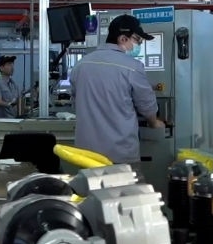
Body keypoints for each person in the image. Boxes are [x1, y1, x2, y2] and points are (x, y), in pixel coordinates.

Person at [70, 14, 165, 168]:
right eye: (137, 40)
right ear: (123, 39)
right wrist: (154, 122)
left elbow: (76, 102)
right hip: (119, 153)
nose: (138, 45)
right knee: (125, 185)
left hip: (86, 154)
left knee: (90, 184)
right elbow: (146, 104)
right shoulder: (133, 67)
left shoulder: (80, 65)